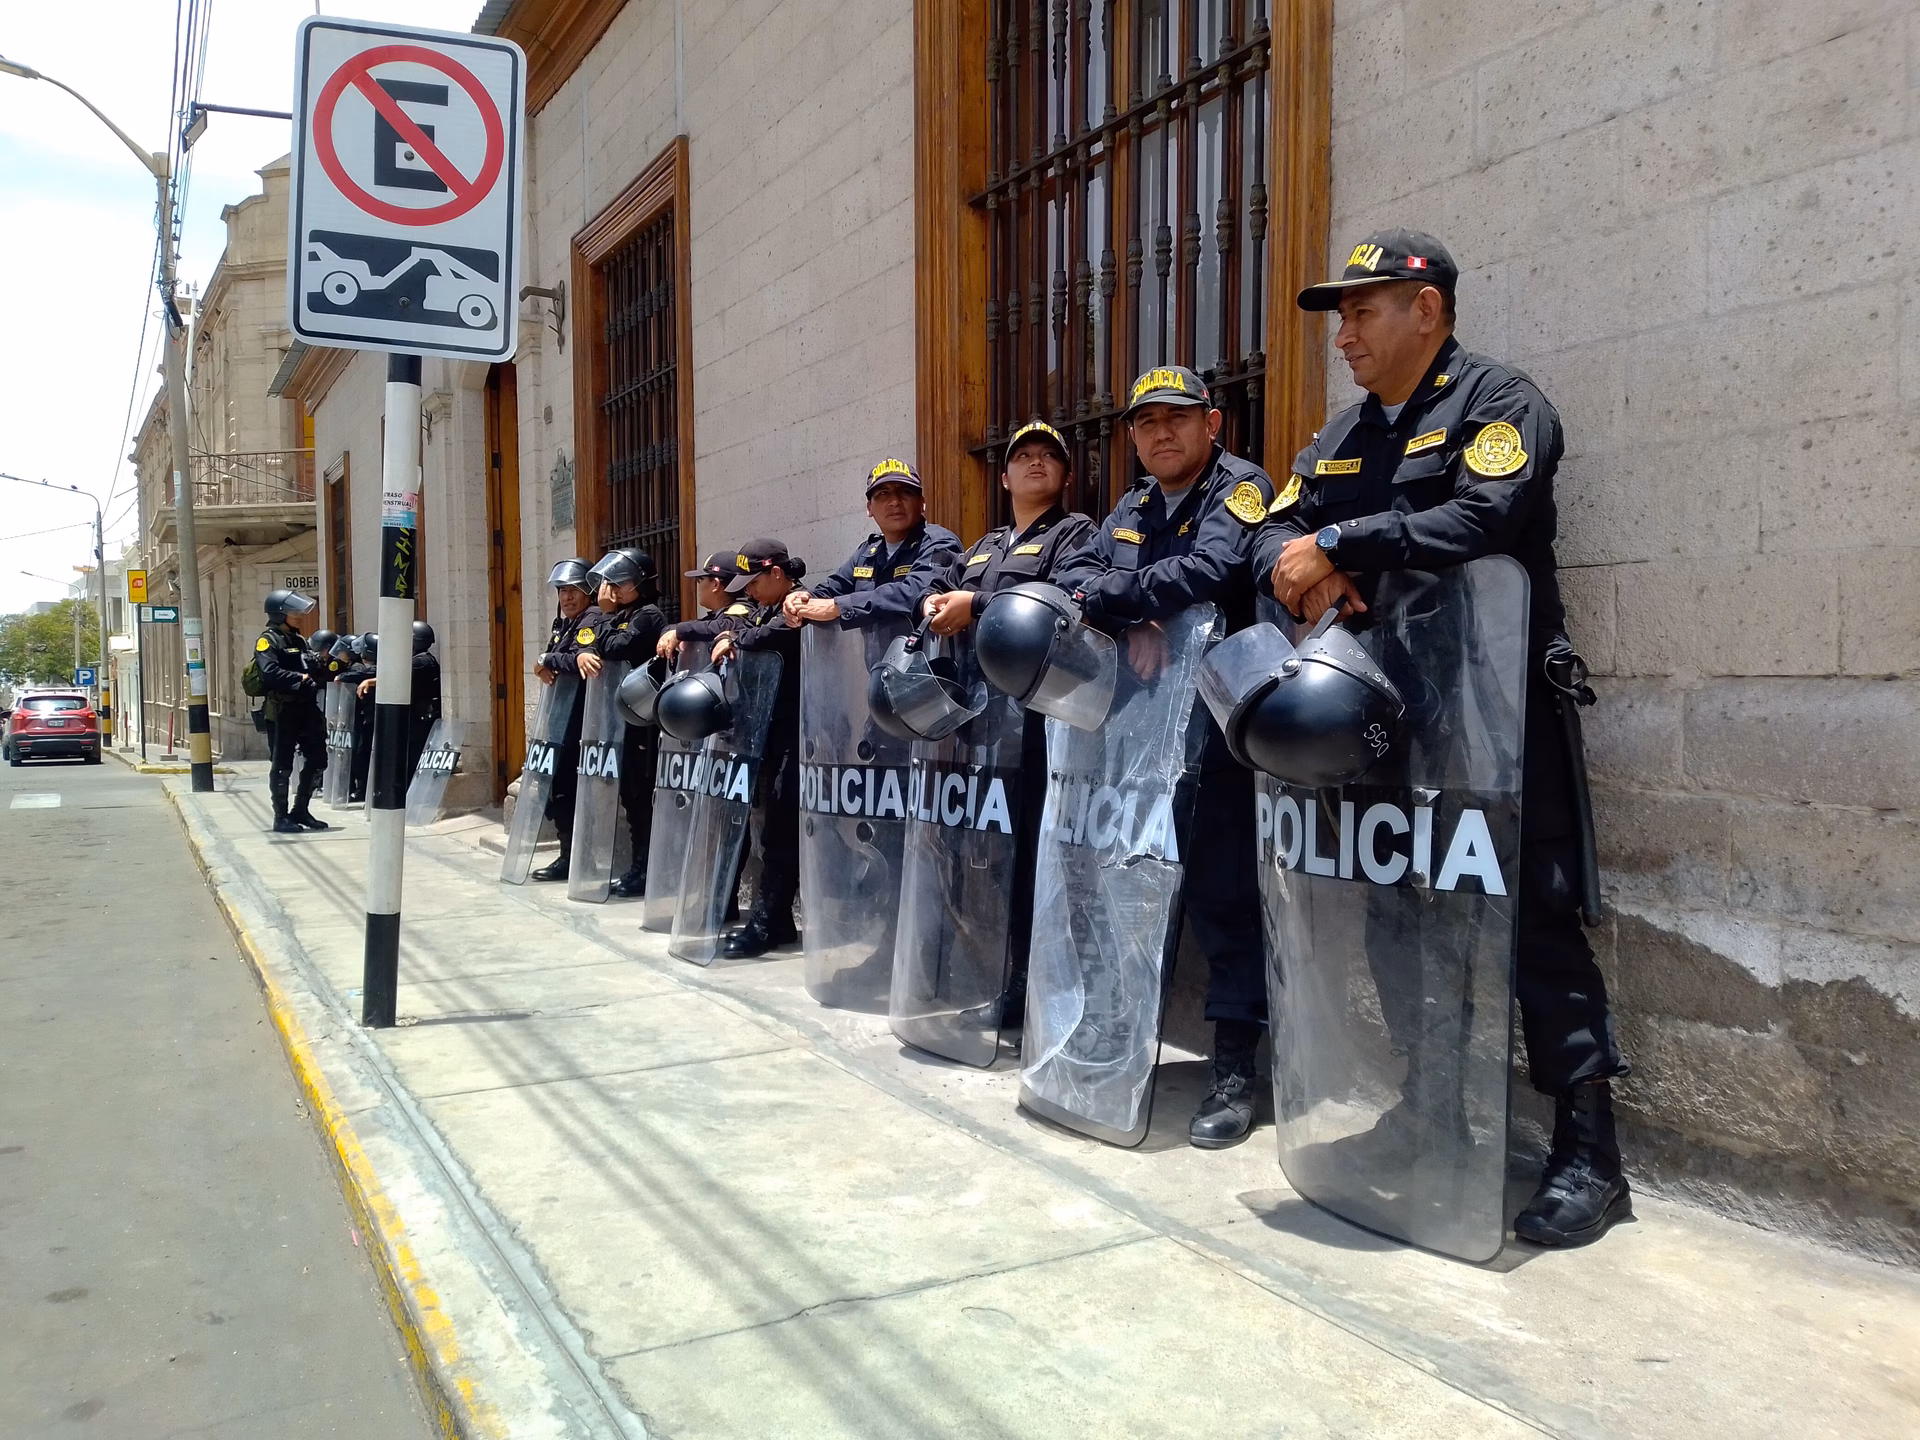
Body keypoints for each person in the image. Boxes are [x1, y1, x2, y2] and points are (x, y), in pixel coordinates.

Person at [1258, 228, 1629, 1246]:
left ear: (1427, 310)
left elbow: (1484, 519)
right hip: (1383, 724)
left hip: (1497, 716)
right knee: (1397, 919)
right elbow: (1269, 533)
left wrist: (1337, 543)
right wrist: (1304, 564)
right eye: (1340, 315)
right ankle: (1428, 1113)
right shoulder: (1339, 437)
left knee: (1536, 924)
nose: (1345, 333)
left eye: (1362, 310)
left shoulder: (1500, 405)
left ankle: (1590, 1155)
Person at [1055, 365, 1278, 1149]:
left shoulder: (1240, 486)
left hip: (1218, 735)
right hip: (1138, 737)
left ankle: (1233, 1070)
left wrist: (1133, 599)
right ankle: (1113, 1036)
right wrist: (1134, 618)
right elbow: (1077, 575)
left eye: (1177, 419)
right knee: (1122, 885)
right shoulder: (1133, 504)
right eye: (1146, 423)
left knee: (1224, 900)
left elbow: (1213, 571)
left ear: (1211, 424)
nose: (1161, 433)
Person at [911, 418, 1097, 1024]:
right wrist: (936, 600)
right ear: (1005, 475)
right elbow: (947, 585)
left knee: (1035, 861)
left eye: (1050, 456)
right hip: (985, 731)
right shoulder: (986, 544)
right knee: (986, 854)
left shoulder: (1076, 534)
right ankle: (992, 972)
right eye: (1024, 456)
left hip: (1043, 730)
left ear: (1066, 474)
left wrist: (979, 604)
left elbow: (1070, 601)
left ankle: (1029, 988)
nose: (1036, 463)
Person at [661, 537, 806, 957]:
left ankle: (765, 923)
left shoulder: (798, 605)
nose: (748, 591)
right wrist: (733, 633)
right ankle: (776, 921)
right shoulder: (764, 608)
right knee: (766, 830)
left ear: (776, 574)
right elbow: (740, 625)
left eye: (754, 582)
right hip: (766, 734)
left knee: (780, 834)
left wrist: (737, 639)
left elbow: (770, 633)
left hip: (795, 736)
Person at [575, 548, 668, 897]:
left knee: (643, 795)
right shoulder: (619, 614)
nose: (611, 588)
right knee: (631, 794)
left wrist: (605, 616)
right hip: (619, 720)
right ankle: (638, 865)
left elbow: (615, 647)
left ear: (641, 583)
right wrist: (585, 649)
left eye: (621, 581)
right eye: (609, 581)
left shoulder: (647, 615)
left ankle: (646, 868)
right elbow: (587, 641)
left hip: (643, 720)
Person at [782, 460, 961, 630]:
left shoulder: (940, 543)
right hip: (875, 663)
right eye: (883, 494)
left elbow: (917, 592)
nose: (895, 501)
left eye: (906, 492)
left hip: (924, 660)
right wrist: (799, 601)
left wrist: (838, 607)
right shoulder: (867, 552)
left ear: (922, 504)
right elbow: (831, 589)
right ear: (869, 508)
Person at [529, 559, 599, 882]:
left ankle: (579, 859)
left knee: (572, 790)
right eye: (562, 592)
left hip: (582, 720)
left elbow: (575, 660)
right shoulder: (563, 626)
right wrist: (544, 663)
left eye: (573, 591)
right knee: (558, 790)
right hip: (561, 720)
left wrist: (546, 660)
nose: (567, 598)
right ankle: (566, 854)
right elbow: (553, 662)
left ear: (588, 591)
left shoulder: (591, 619)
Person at [255, 588, 329, 834]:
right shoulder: (268, 640)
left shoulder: (298, 640)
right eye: (292, 611)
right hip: (282, 710)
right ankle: (281, 816)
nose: (298, 616)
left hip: (306, 708)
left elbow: (310, 667)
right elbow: (269, 672)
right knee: (282, 765)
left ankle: (301, 810)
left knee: (319, 758)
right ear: (278, 614)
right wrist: (299, 677)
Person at [406, 620, 443, 779]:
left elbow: (401, 679)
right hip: (419, 717)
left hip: (421, 718)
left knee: (416, 756)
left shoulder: (421, 661)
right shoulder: (422, 659)